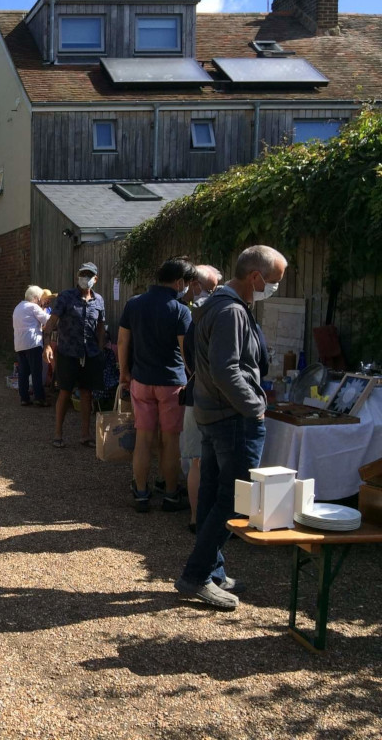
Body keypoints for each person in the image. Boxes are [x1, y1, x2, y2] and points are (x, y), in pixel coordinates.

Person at [175, 245, 287, 610]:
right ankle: (197, 576)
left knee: (212, 496)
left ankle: (213, 572)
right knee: (235, 500)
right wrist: (254, 408)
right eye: (273, 281)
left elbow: (202, 361)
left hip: (214, 414)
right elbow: (226, 370)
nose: (275, 288)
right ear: (255, 277)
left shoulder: (215, 305)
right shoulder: (230, 311)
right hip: (232, 419)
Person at [118, 258, 196, 513]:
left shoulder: (134, 303)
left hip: (141, 380)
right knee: (170, 440)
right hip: (172, 383)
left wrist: (124, 371)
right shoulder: (180, 310)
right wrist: (194, 377)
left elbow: (122, 341)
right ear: (180, 282)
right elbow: (186, 350)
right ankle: (171, 494)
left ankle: (141, 492)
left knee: (143, 438)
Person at [179, 264, 223, 532]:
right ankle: (211, 517)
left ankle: (196, 517)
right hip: (216, 399)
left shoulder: (193, 321)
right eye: (213, 288)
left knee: (196, 460)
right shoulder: (222, 318)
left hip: (195, 394)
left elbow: (187, 359)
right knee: (214, 460)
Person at [44, 262, 107, 448]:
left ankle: (85, 435)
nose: (85, 278)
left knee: (87, 393)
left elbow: (101, 326)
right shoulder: (66, 297)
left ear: (95, 279)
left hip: (90, 354)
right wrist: (46, 345)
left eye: (89, 275)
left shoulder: (99, 300)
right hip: (68, 353)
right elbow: (51, 322)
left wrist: (101, 349)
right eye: (82, 274)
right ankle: (58, 434)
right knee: (65, 392)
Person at [12, 285, 51, 407]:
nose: (40, 301)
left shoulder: (18, 307)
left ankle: (24, 398)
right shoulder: (33, 307)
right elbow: (48, 320)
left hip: (19, 344)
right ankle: (39, 398)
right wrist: (48, 311)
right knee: (36, 371)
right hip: (32, 343)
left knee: (23, 372)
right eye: (40, 298)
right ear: (35, 297)